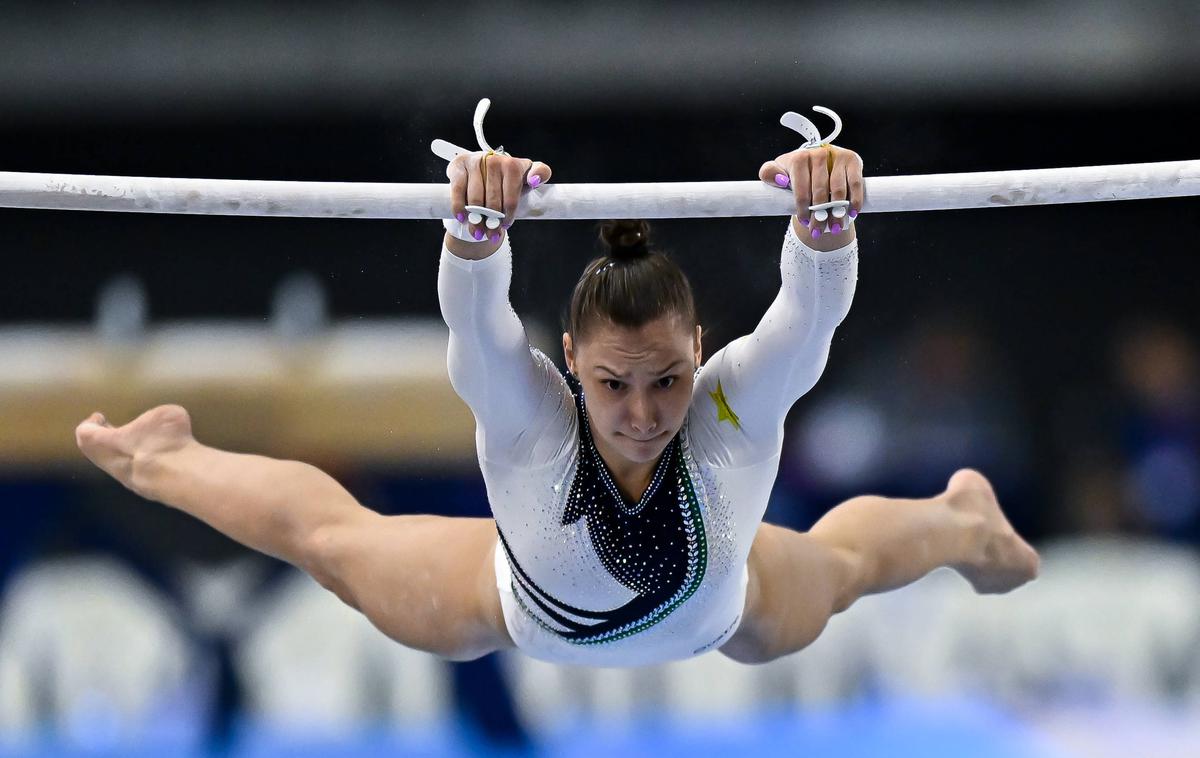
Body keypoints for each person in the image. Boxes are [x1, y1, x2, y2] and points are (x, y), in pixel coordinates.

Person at [76, 137, 1040, 666]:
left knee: (842, 562)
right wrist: (474, 238)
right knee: (331, 542)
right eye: (614, 383)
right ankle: (163, 457)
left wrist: (826, 227)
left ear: (699, 351)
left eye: (668, 377)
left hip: (725, 607)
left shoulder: (731, 405)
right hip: (510, 605)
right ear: (570, 357)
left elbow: (809, 317)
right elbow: (478, 325)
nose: (643, 410)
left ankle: (962, 520)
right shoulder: (534, 417)